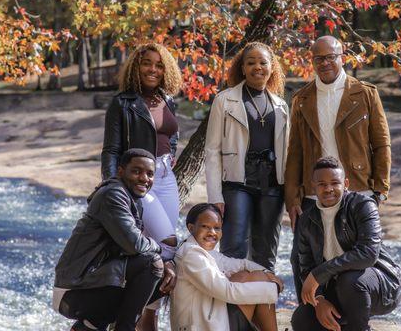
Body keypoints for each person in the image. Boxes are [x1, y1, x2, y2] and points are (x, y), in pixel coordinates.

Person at [285, 35, 391, 300]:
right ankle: (309, 318)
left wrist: (379, 190)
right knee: (301, 260)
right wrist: (292, 198)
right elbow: (295, 152)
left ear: (342, 56)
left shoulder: (365, 93)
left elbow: (381, 144)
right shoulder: (302, 98)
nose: (325, 63)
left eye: (330, 57)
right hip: (312, 194)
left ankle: (354, 320)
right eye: (318, 59)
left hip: (357, 188)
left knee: (357, 262)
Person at [101, 43, 182, 329]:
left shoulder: (168, 99)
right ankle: (133, 316)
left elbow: (171, 134)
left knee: (161, 249)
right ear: (137, 66)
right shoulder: (122, 103)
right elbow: (111, 150)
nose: (153, 69)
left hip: (166, 178)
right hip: (138, 183)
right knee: (166, 244)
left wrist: (170, 155)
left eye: (159, 65)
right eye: (147, 63)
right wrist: (113, 188)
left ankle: (150, 317)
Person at [53, 149, 177, 331]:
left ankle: (88, 326)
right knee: (152, 263)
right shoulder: (113, 195)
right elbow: (135, 244)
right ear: (120, 171)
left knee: (168, 273)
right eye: (136, 171)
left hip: (97, 282)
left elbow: (132, 247)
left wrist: (167, 262)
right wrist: (158, 247)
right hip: (75, 288)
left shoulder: (133, 199)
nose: (144, 178)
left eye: (150, 174)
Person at [291, 157, 401, 331]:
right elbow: (305, 266)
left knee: (349, 280)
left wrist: (319, 273)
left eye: (334, 183)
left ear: (345, 184)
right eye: (322, 184)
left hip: (380, 286)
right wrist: (319, 299)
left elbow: (368, 254)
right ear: (313, 187)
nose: (328, 189)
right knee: (302, 318)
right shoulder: (307, 220)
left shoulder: (362, 205)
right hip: (338, 290)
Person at [204, 41, 289, 271]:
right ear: (242, 67)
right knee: (233, 249)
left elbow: (286, 151)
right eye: (251, 63)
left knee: (266, 253)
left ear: (272, 67)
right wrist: (215, 195)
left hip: (272, 185)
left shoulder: (281, 105)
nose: (257, 67)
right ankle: (231, 306)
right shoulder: (225, 100)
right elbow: (212, 151)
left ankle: (263, 304)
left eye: (263, 62)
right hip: (236, 183)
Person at [171, 203, 284, 331]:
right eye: (205, 227)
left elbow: (241, 264)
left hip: (210, 320)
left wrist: (267, 273)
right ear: (191, 228)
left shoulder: (203, 251)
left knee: (254, 274)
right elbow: (227, 291)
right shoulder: (191, 255)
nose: (212, 233)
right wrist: (272, 287)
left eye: (217, 228)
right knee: (259, 279)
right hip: (201, 327)